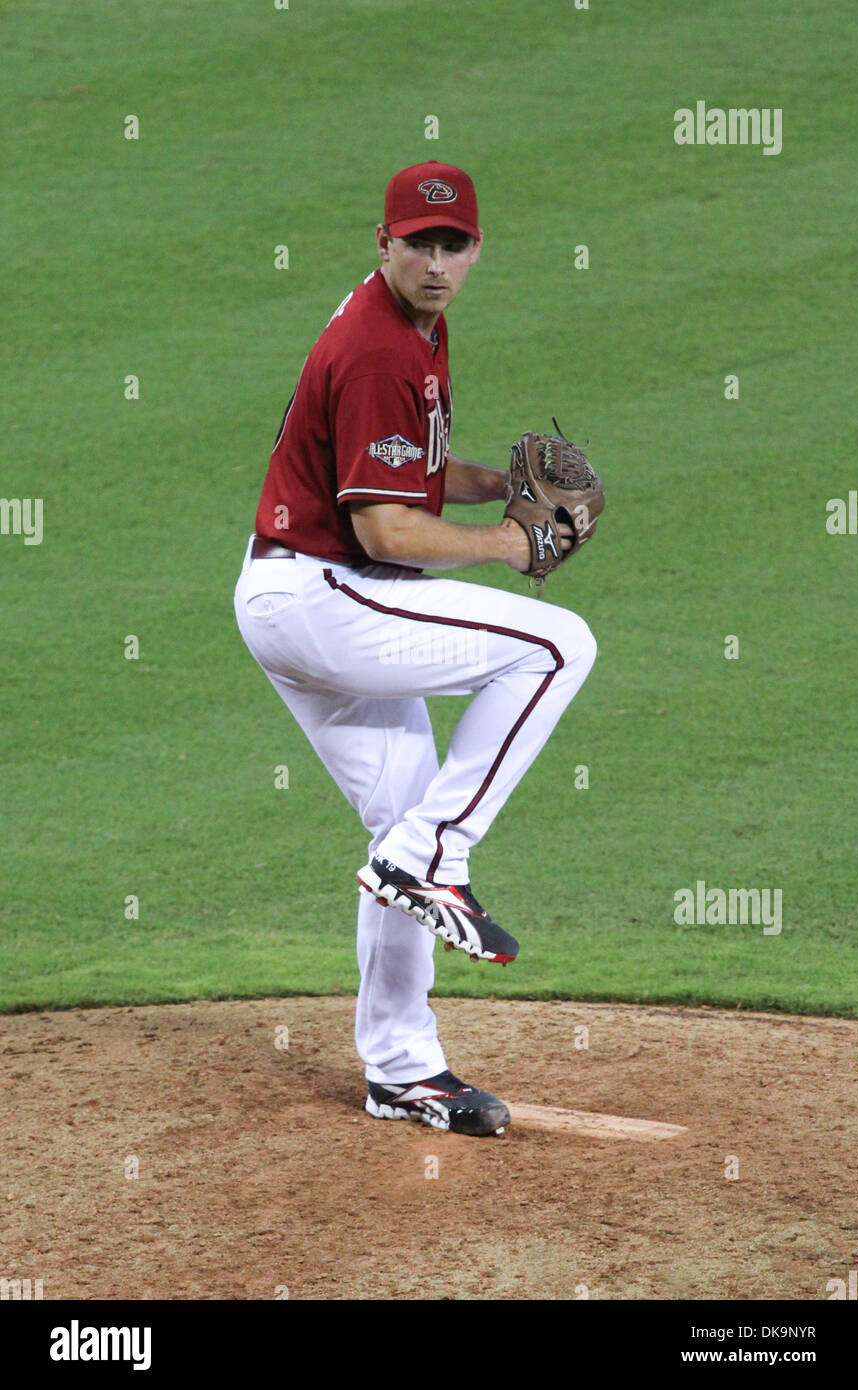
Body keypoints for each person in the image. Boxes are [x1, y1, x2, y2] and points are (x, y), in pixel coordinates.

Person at [234, 160, 597, 1137]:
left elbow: (412, 473)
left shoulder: (411, 327)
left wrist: (491, 488)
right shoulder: (378, 349)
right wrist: (508, 541)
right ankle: (435, 854)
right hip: (325, 595)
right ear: (381, 243)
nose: (436, 262)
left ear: (474, 248)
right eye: (418, 243)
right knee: (557, 644)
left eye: (453, 244)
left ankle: (401, 1070)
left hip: (297, 594)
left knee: (398, 819)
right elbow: (385, 534)